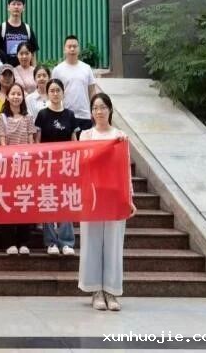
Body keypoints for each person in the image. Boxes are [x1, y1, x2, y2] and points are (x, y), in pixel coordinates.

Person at [79, 93, 136, 312]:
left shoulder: (120, 136)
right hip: (93, 195)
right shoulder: (86, 135)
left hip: (114, 196)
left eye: (103, 107)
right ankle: (95, 291)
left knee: (113, 243)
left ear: (110, 110)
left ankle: (111, 291)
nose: (99, 111)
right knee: (91, 242)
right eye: (95, 108)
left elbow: (125, 169)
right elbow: (83, 164)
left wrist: (129, 198)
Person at [35, 78, 78, 256]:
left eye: (57, 90)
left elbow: (74, 141)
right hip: (47, 166)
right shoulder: (42, 115)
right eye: (51, 90)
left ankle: (66, 242)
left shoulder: (70, 115)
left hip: (66, 165)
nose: (55, 93)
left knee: (65, 201)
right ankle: (51, 241)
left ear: (63, 93)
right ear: (47, 93)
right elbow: (37, 142)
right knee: (48, 200)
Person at [0, 83, 35, 255]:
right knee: (8, 203)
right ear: (8, 96)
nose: (16, 97)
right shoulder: (2, 118)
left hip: (25, 167)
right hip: (8, 167)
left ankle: (23, 241)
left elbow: (31, 142)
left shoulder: (28, 118)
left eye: (19, 94)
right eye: (13, 93)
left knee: (23, 202)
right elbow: (2, 143)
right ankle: (9, 241)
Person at [52, 35, 97, 131]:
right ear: (64, 49)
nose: (72, 49)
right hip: (64, 115)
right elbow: (53, 93)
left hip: (85, 116)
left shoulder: (87, 68)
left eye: (75, 46)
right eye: (69, 46)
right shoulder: (57, 70)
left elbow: (92, 92)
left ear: (79, 49)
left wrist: (94, 111)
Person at [0, 0, 39, 67]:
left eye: (19, 4)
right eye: (13, 4)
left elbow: (33, 52)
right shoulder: (2, 28)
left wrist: (34, 69)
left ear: (23, 7)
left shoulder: (27, 28)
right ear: (8, 7)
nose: (16, 7)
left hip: (25, 70)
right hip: (7, 71)